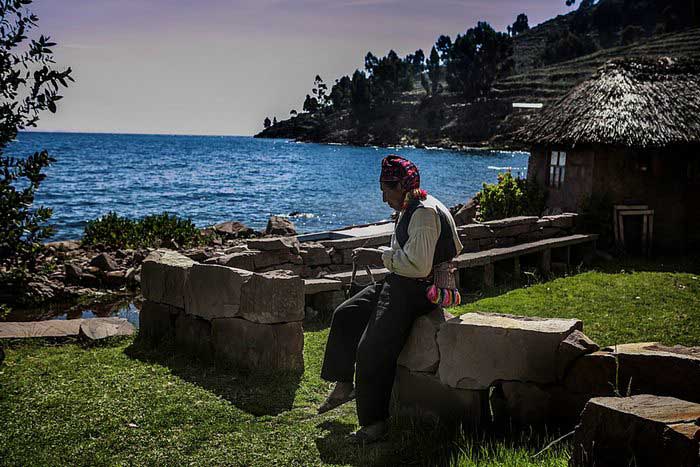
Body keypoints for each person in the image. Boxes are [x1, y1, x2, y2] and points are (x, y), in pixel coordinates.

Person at [318, 154, 463, 444]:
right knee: (346, 314)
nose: (383, 198)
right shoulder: (412, 206)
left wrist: (378, 255)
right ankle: (345, 383)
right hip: (402, 282)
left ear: (401, 186)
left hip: (417, 291)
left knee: (371, 348)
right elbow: (409, 254)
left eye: (386, 190)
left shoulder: (423, 213)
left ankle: (375, 424)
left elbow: (419, 267)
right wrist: (384, 255)